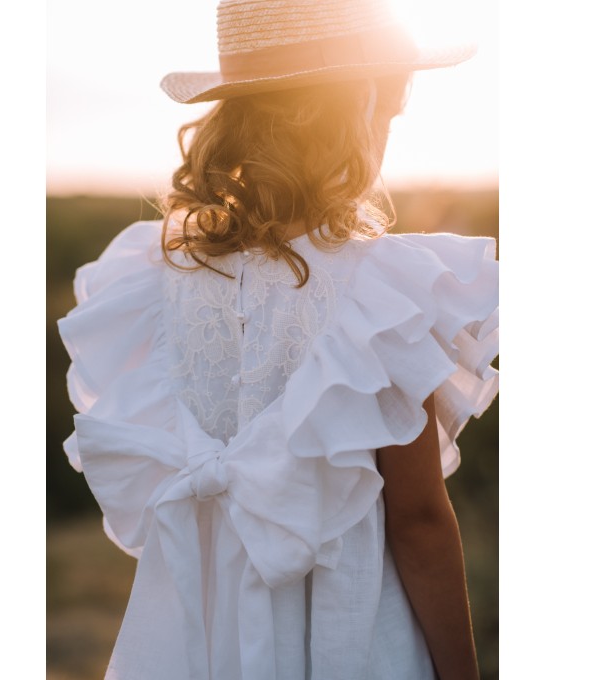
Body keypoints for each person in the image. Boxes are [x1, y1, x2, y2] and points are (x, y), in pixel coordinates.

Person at [57, 1, 498, 678]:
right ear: (356, 111)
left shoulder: (155, 279)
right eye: (388, 113)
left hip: (197, 637)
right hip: (345, 634)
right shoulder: (379, 293)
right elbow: (417, 520)